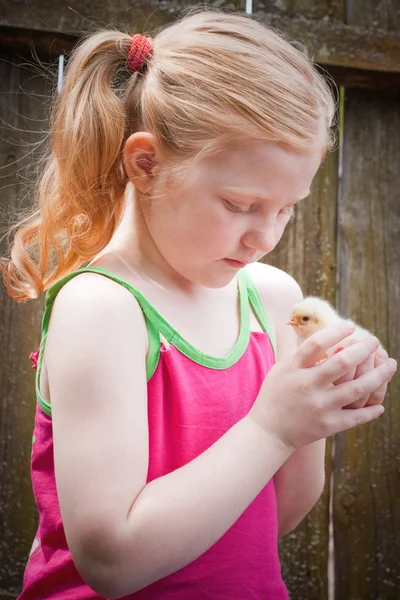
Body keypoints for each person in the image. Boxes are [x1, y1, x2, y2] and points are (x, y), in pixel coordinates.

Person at [1, 8, 396, 600]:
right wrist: (271, 428)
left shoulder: (272, 299)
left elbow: (273, 517)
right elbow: (113, 565)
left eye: (288, 208)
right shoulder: (103, 309)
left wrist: (316, 412)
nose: (266, 237)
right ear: (147, 163)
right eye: (241, 204)